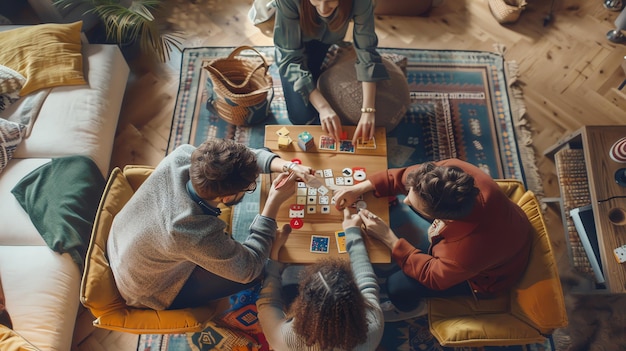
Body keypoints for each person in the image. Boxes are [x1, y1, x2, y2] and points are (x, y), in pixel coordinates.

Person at [107, 139, 315, 310]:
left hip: (122, 239)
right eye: (248, 188)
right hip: (146, 289)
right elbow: (248, 268)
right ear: (226, 198)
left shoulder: (184, 156)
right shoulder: (191, 230)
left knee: (266, 155)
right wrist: (272, 204)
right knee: (256, 273)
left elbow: (244, 157)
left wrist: (288, 166)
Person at [332, 158, 533, 319]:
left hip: (490, 276)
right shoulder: (454, 172)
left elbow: (433, 276)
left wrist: (389, 238)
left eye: (413, 202)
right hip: (507, 226)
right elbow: (407, 176)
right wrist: (360, 188)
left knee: (397, 286)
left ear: (443, 218)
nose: (407, 199)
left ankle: (417, 309)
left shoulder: (465, 251)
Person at [256, 208, 384, 350]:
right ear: (357, 302)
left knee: (289, 279)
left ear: (304, 305)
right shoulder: (373, 326)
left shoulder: (285, 338)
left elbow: (267, 303)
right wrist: (353, 232)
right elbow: (367, 284)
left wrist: (274, 259)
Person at [273, 0, 389, 144]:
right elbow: (289, 57)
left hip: (325, 40)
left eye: (330, 0)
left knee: (317, 93)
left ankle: (333, 55)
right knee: (301, 119)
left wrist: (368, 111)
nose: (323, 8)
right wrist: (323, 107)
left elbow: (367, 53)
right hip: (292, 46)